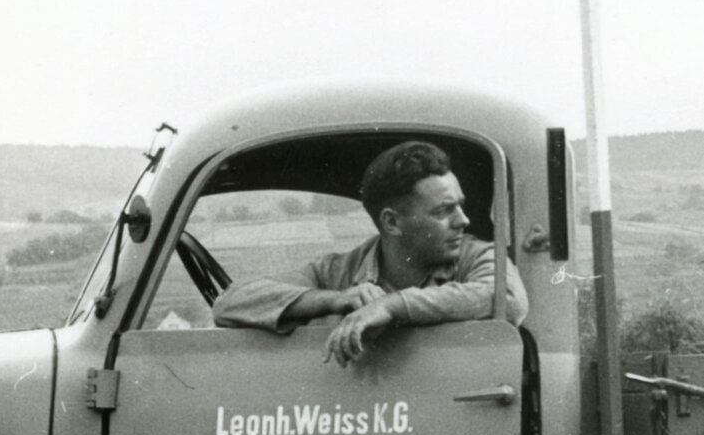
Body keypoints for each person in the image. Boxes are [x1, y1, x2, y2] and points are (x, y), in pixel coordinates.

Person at [213, 140, 528, 365]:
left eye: (460, 205)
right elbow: (230, 302)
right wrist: (338, 298)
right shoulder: (339, 272)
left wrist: (391, 306)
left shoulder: (476, 256)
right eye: (444, 210)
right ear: (392, 222)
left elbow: (507, 298)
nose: (463, 220)